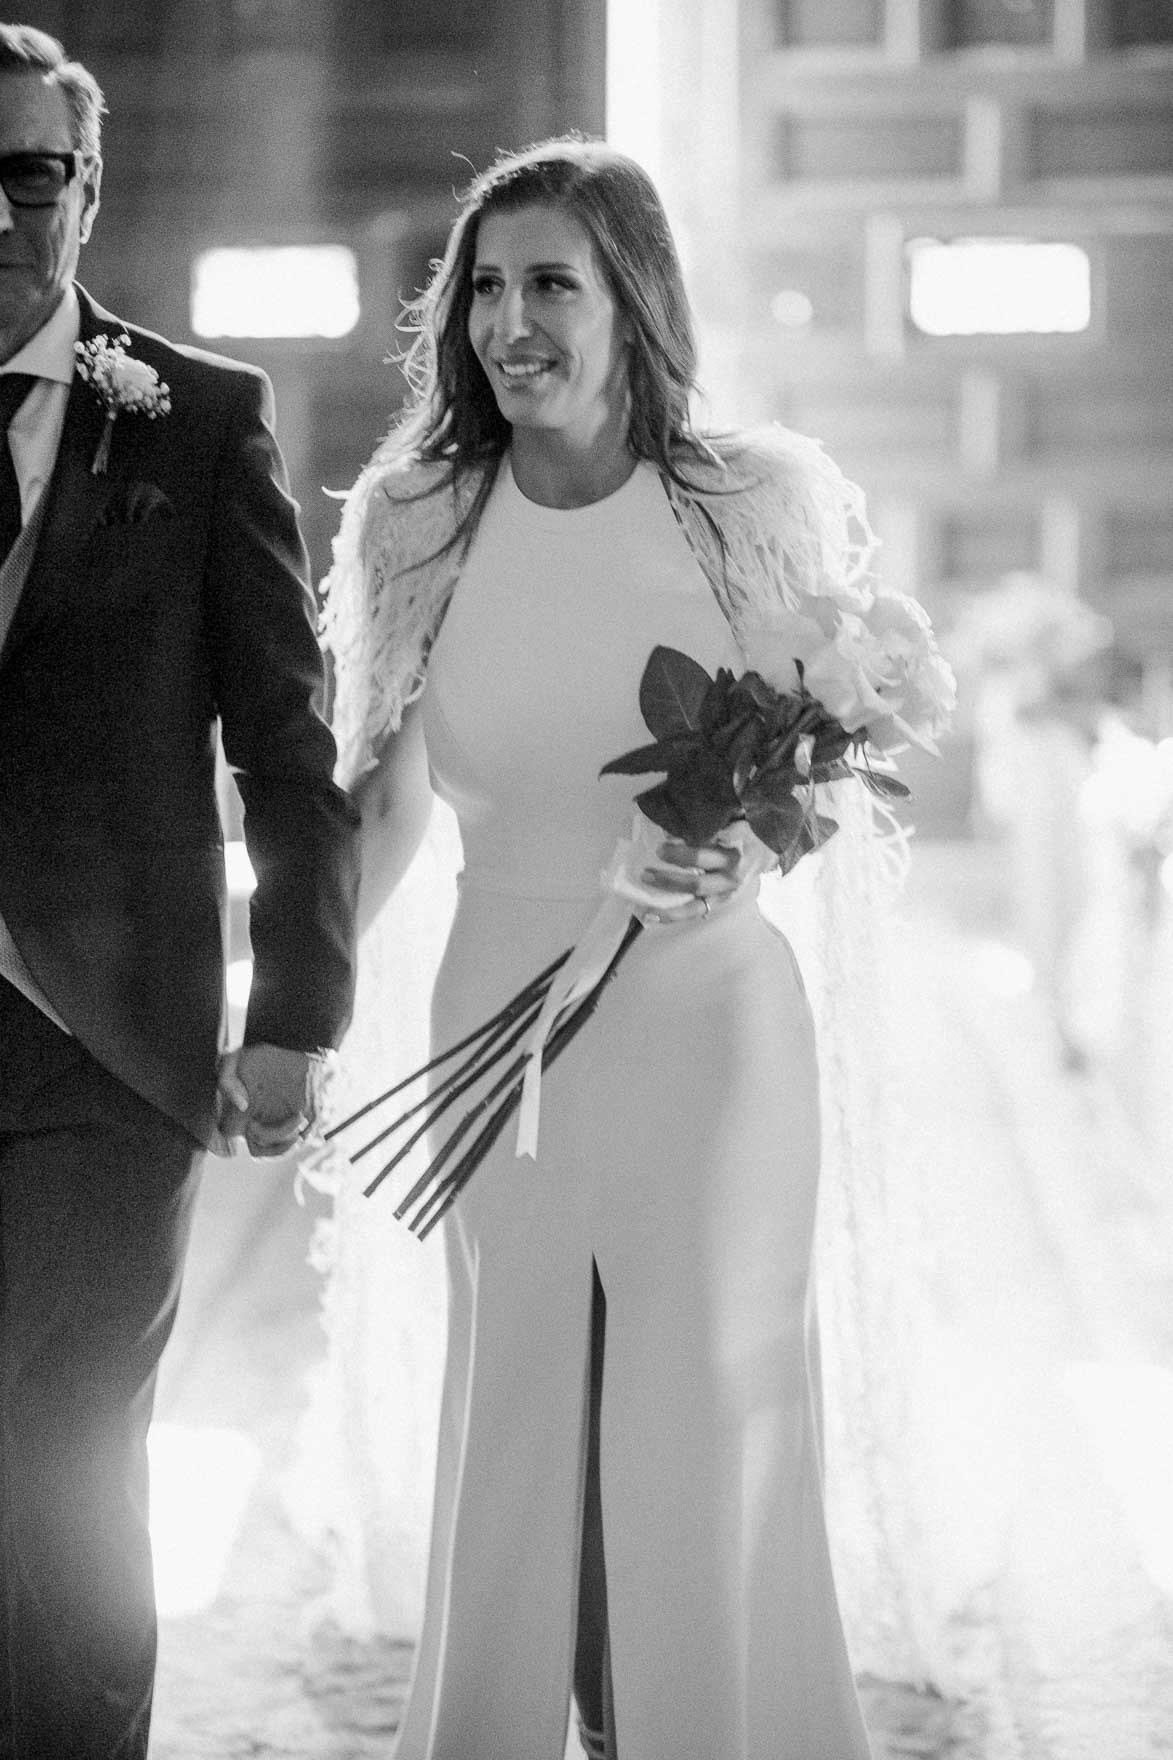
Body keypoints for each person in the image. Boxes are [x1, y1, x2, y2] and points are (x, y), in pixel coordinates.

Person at [322, 137, 881, 1760]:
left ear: (630, 299)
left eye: (549, 284)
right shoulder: (419, 519)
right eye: (484, 289)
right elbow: (380, 807)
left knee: (696, 1416)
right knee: (525, 1415)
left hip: (713, 1025)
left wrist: (747, 837)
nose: (510, 323)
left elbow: (821, 774)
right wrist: (286, 1021)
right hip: (498, 1016)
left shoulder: (744, 502)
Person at [0, 24, 360, 1760]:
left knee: (65, 1459)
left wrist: (293, 1017)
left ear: (87, 185)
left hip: (106, 1045)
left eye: (28, 174)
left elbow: (285, 745)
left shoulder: (199, 420)